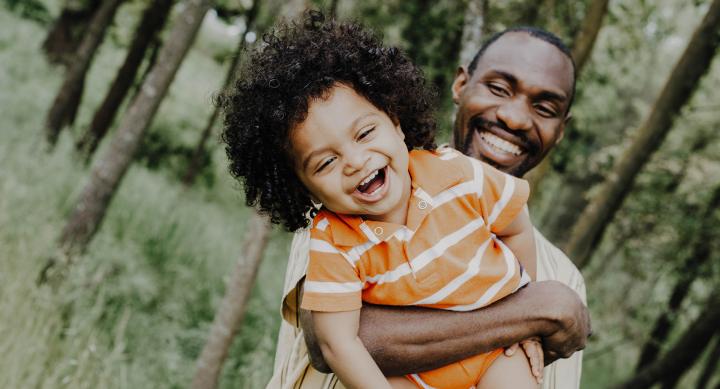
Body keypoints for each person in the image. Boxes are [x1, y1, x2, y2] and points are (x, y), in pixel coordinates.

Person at [222, 12, 547, 388]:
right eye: (327, 162)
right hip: (409, 373)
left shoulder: (457, 174)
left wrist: (527, 315)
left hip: (494, 354)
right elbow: (337, 342)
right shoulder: (334, 240)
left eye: (364, 133)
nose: (356, 162)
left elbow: (517, 223)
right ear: (304, 188)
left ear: (395, 120)